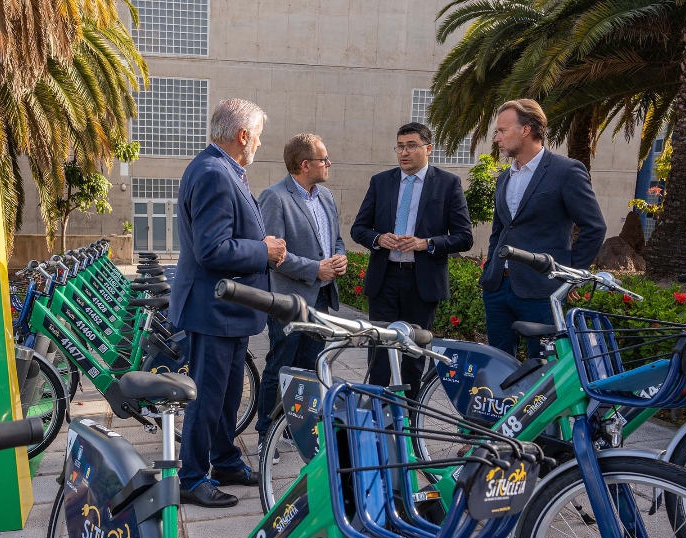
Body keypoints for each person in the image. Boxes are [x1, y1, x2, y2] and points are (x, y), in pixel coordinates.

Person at [169, 98, 287, 508]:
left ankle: (225, 460)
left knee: (226, 395)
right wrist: (263, 249)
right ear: (243, 136)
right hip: (213, 310)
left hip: (229, 311)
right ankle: (192, 476)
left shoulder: (223, 170)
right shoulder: (213, 173)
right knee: (206, 397)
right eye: (257, 136)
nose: (258, 143)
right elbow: (212, 249)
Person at [350, 123, 473, 396]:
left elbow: (464, 237)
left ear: (428, 149)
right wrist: (379, 239)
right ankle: (377, 417)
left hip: (422, 282)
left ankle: (409, 420)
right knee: (379, 353)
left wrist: (426, 243)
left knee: (414, 356)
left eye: (411, 146)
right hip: (384, 279)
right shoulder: (381, 182)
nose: (404, 152)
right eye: (400, 146)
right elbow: (358, 229)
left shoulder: (447, 184)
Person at [480, 99, 606, 357]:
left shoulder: (566, 171)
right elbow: (500, 230)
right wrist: (491, 268)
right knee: (499, 367)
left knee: (547, 369)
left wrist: (569, 277)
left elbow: (594, 227)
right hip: (498, 289)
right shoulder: (505, 177)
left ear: (525, 130)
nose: (497, 138)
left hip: (542, 290)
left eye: (502, 131)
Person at [256, 134, 346, 459]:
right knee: (281, 365)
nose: (329, 164)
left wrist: (339, 258)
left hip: (321, 299)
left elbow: (335, 239)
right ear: (305, 164)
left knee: (310, 367)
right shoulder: (274, 197)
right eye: (324, 159)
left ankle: (298, 430)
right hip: (289, 300)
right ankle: (266, 434)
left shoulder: (327, 197)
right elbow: (274, 255)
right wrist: (315, 269)